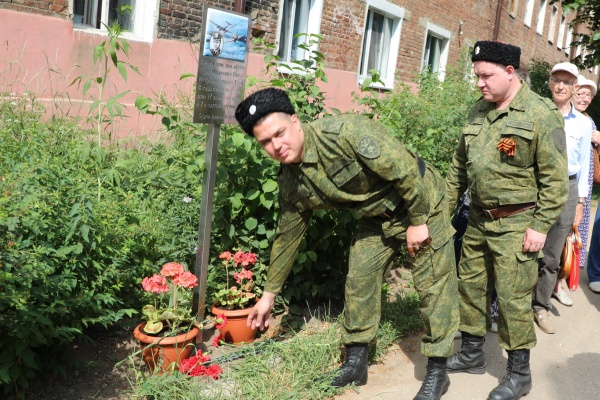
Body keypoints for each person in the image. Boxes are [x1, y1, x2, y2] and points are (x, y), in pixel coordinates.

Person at [235, 87, 459, 400]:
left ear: (295, 122)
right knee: (360, 279)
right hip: (377, 215)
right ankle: (356, 362)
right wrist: (268, 296)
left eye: (279, 133)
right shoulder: (291, 180)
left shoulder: (344, 133)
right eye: (265, 142)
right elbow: (287, 236)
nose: (276, 146)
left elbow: (406, 170)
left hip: (420, 199)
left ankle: (437, 369)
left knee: (433, 286)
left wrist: (419, 222)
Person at [445, 41, 568, 400]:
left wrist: (540, 226)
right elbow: (458, 170)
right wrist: (442, 216)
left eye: (486, 76)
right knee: (470, 286)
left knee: (513, 298)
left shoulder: (540, 113)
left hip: (518, 223)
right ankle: (471, 354)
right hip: (478, 219)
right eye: (477, 76)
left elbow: (555, 180)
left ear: (510, 72)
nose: (479, 83)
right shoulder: (477, 111)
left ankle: (519, 373)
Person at [533, 63, 592, 334]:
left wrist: (580, 202)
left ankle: (540, 306)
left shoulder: (582, 123)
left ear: (574, 88)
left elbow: (581, 164)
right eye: (556, 80)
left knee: (553, 254)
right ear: (549, 83)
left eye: (567, 82)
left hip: (567, 189)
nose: (560, 86)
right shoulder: (536, 112)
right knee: (524, 247)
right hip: (535, 186)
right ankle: (513, 304)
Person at [573, 76, 597, 279]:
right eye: (581, 93)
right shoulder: (559, 116)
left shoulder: (589, 120)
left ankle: (565, 278)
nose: (585, 98)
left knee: (577, 229)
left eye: (588, 95)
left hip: (584, 185)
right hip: (565, 181)